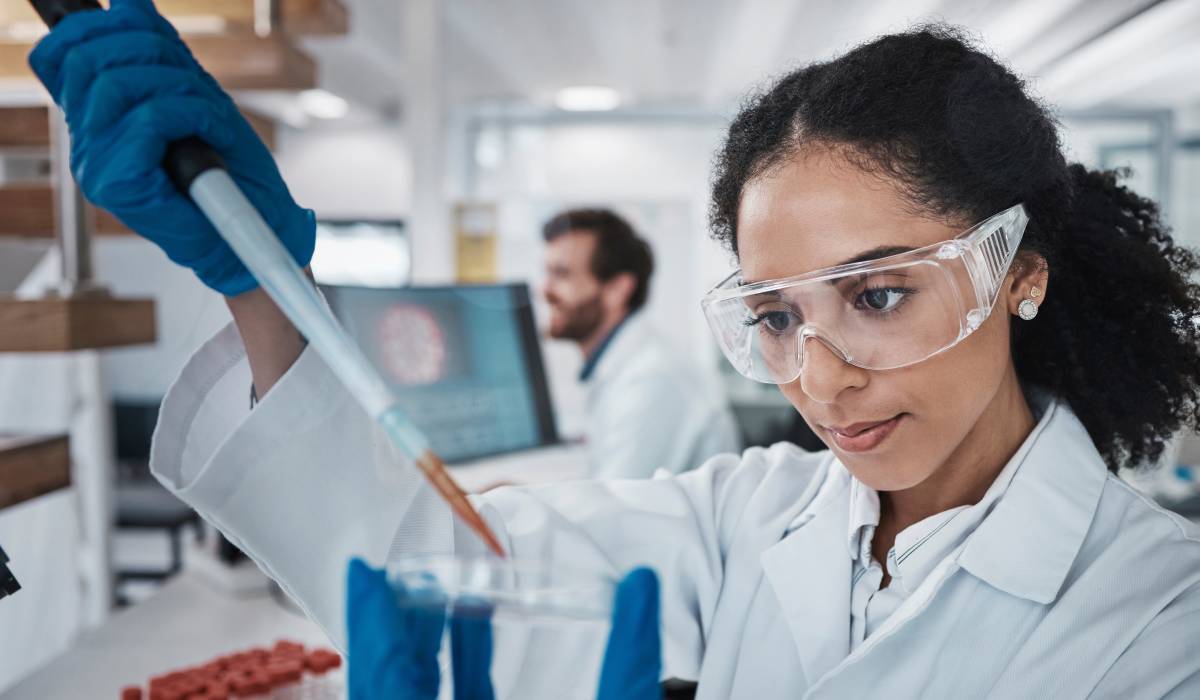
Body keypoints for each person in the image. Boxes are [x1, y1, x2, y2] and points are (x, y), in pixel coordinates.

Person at [32, 2, 1200, 697]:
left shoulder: (1163, 614)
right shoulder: (754, 514)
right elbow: (434, 562)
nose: (822, 378)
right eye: (781, 318)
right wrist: (259, 285)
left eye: (881, 295)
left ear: (1022, 273)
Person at [540, 207, 741, 479]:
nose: (545, 290)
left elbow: (612, 510)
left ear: (617, 290)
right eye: (548, 273)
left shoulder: (653, 380)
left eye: (561, 274)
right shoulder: (626, 366)